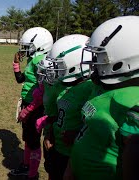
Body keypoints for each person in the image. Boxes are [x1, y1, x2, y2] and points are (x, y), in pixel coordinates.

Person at [64, 16, 139, 180]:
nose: (93, 63)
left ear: (124, 58)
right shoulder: (102, 88)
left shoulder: (131, 102)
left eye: (99, 57)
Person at [44, 34, 93, 180]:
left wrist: (77, 134)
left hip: (74, 154)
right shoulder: (62, 84)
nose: (55, 69)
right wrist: (49, 133)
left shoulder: (89, 89)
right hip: (57, 148)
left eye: (59, 64)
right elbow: (54, 114)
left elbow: (94, 124)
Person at [10, 27, 53, 180]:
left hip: (36, 107)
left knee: (33, 141)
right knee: (28, 138)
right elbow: (20, 80)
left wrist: (27, 110)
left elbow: (42, 94)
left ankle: (32, 174)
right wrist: (16, 64)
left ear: (41, 45)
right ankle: (26, 166)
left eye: (28, 46)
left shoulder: (41, 61)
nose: (24, 49)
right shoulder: (32, 59)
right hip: (29, 104)